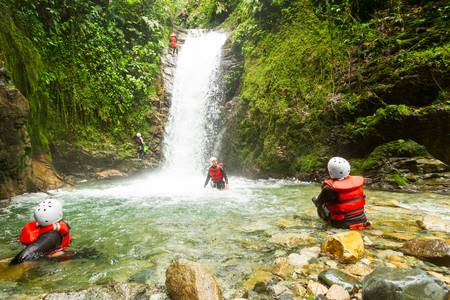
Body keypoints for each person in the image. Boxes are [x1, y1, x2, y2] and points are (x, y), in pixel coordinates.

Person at [312, 157, 370, 230]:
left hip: (342, 224)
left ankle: (326, 223)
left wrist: (314, 199)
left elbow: (318, 203)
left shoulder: (329, 189)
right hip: (362, 220)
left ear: (330, 172)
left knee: (320, 203)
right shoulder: (358, 182)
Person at [10, 199, 71, 265]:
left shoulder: (45, 228)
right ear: (58, 214)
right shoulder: (52, 236)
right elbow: (22, 257)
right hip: (43, 262)